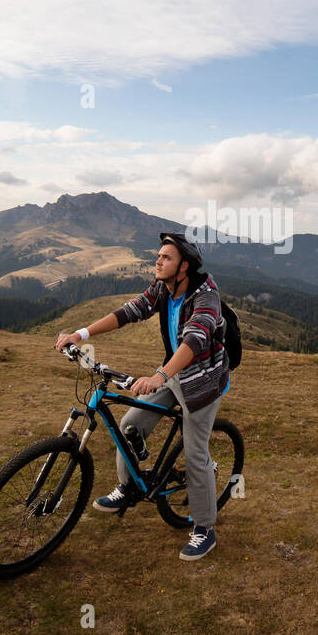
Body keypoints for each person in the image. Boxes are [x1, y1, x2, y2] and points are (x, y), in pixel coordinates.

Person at [54, 232, 231, 561]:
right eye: (159, 256)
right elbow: (129, 312)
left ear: (184, 267)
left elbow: (194, 341)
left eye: (166, 258)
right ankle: (129, 487)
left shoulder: (205, 294)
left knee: (195, 454)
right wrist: (80, 334)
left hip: (203, 381)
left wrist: (159, 376)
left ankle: (205, 529)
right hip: (174, 371)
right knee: (130, 424)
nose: (158, 261)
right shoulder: (162, 288)